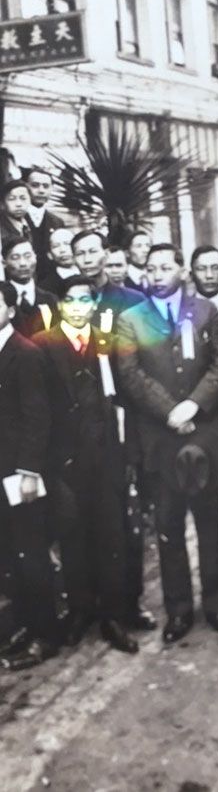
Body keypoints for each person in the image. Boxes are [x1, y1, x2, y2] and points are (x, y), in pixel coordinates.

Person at [114, 244, 218, 644]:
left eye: (167, 266)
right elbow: (130, 375)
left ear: (183, 271)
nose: (158, 273)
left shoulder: (205, 312)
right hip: (160, 436)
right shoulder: (132, 319)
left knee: (210, 523)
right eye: (151, 268)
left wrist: (193, 405)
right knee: (168, 525)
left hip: (203, 431)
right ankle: (179, 610)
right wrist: (170, 411)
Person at [33, 276, 140, 655]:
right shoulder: (43, 346)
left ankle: (113, 614)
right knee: (73, 534)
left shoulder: (104, 340)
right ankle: (80, 610)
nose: (78, 306)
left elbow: (119, 395)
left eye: (85, 299)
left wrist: (123, 450)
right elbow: (40, 410)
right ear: (60, 306)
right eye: (70, 300)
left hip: (106, 454)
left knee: (111, 533)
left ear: (94, 305)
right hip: (66, 459)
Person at [73, 230, 156, 631]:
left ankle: (130, 602)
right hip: (86, 430)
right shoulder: (66, 302)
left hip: (128, 422)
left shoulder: (132, 301)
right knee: (90, 517)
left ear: (106, 254)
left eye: (93, 250)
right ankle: (93, 605)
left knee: (130, 514)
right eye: (80, 253)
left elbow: (149, 363)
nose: (87, 258)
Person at [0, 281, 61, 671]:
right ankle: (22, 624)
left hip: (19, 474)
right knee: (9, 554)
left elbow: (38, 419)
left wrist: (28, 471)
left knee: (32, 553)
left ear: (9, 308)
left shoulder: (25, 353)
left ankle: (45, 635)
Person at [2, 239, 58, 338]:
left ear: (35, 257)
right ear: (4, 262)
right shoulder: (1, 299)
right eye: (15, 258)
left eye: (28, 256)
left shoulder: (51, 299)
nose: (23, 263)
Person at [23, 167, 65, 270]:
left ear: (51, 189)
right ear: (25, 187)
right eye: (35, 185)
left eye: (46, 186)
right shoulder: (16, 218)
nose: (41, 191)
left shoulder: (57, 223)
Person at [191, 246, 218, 314]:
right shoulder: (179, 312)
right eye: (201, 269)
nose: (209, 275)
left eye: (216, 268)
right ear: (191, 274)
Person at [41, 228, 79, 296]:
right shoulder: (46, 287)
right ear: (49, 255)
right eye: (56, 246)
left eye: (67, 244)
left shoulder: (89, 273)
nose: (62, 250)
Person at [0, 180, 33, 251]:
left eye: (23, 198)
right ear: (2, 204)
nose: (18, 204)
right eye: (12, 199)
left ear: (30, 201)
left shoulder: (30, 224)